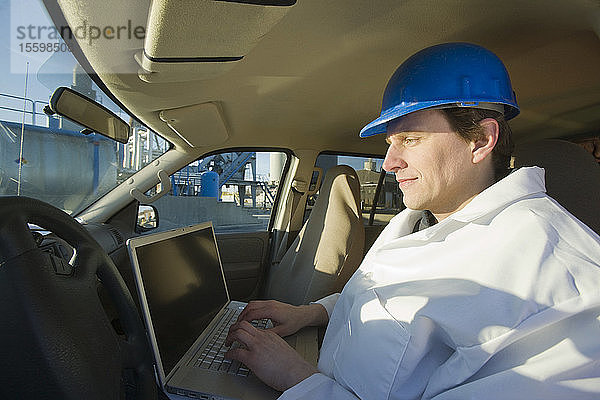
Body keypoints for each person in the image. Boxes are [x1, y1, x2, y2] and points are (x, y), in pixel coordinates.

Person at [225, 43, 600, 399]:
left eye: (411, 139)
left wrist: (296, 378)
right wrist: (312, 313)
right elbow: (383, 296)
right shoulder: (420, 219)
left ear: (481, 140)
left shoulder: (560, 283)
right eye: (391, 142)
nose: (389, 163)